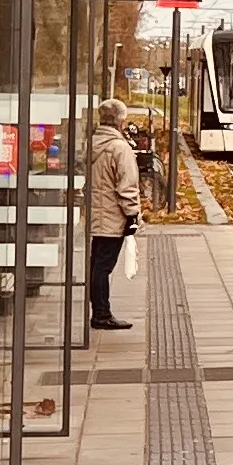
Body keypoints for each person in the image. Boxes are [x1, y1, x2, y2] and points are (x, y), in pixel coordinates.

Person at [86, 100, 144, 330]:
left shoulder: (92, 143)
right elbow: (127, 186)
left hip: (96, 213)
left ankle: (98, 311)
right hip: (112, 215)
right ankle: (101, 314)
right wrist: (133, 215)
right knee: (103, 266)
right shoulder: (119, 148)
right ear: (121, 121)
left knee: (96, 264)